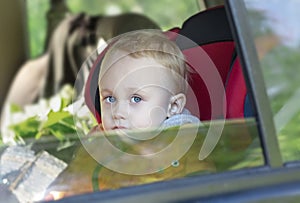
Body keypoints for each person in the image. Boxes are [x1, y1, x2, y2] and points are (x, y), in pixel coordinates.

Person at [97, 29, 201, 132]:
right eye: (110, 99)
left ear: (173, 107)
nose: (118, 113)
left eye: (136, 99)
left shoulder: (182, 131)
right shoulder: (106, 134)